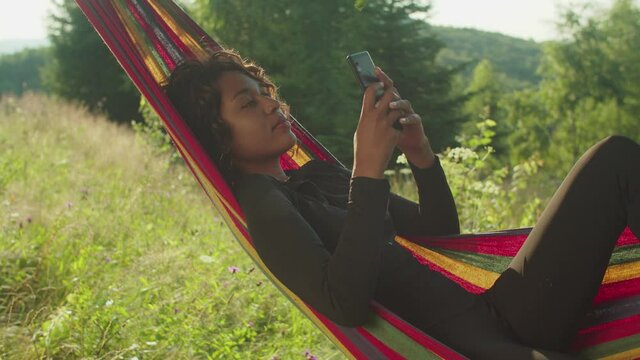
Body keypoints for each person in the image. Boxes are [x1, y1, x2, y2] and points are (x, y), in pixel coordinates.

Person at [164, 48, 640, 359]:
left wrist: (419, 152)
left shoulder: (316, 176)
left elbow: (438, 229)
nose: (271, 104)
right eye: (248, 105)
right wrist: (366, 172)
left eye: (264, 93)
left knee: (614, 158)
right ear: (216, 134)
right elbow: (343, 303)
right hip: (468, 347)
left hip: (502, 310)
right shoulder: (263, 205)